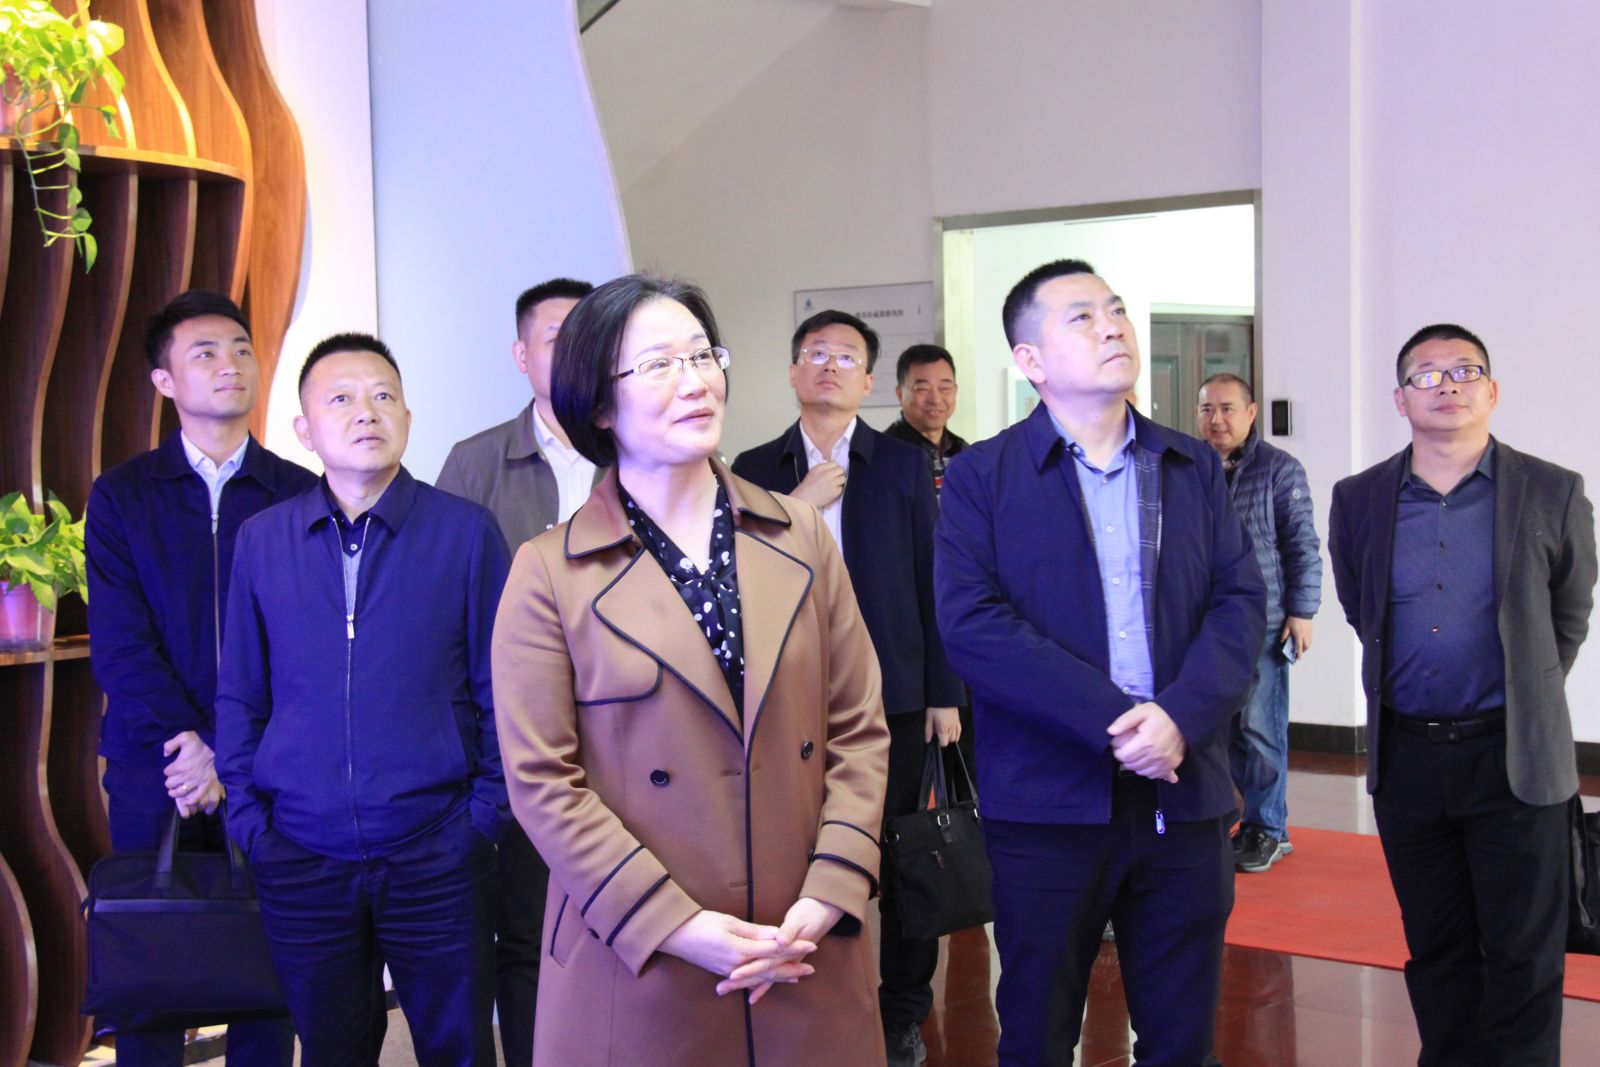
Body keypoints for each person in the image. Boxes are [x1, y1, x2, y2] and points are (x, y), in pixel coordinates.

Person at [491, 275, 890, 1067]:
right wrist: (674, 923)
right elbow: (543, 781)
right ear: (599, 406)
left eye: (704, 355)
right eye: (659, 364)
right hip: (640, 956)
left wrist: (833, 887)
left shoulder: (800, 534)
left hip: (800, 940)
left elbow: (858, 729)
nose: (696, 380)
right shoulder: (549, 570)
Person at [935, 258, 1265, 1066]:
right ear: (1031, 360)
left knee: (1183, 1039)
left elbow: (1238, 602)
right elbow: (974, 625)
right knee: (1038, 1033)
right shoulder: (983, 475)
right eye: (1081, 316)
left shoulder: (1191, 466)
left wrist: (1178, 718)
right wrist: (1120, 723)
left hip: (1181, 794)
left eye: (1115, 309)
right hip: (1047, 803)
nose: (1112, 325)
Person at [215, 333, 511, 1066]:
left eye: (383, 396)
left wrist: (483, 818)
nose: (366, 412)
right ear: (304, 430)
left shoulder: (465, 533)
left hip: (436, 848)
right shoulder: (263, 540)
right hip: (301, 853)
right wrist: (252, 825)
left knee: (459, 1047)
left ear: (407, 416)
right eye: (341, 398)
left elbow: (506, 691)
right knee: (331, 1049)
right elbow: (241, 692)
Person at [1329, 323, 1595, 1065]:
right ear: (1400, 399)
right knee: (1437, 947)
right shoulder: (1359, 497)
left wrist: (1526, 691)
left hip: (1514, 757)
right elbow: (1359, 603)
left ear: (1492, 390)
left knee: (1524, 953)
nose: (1447, 384)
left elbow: (1570, 612)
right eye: (1427, 374)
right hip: (1409, 759)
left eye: (1465, 370)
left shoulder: (1552, 490)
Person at [732, 310, 965, 1067]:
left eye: (846, 357)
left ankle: (902, 1010)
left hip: (892, 695)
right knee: (799, 854)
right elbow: (733, 577)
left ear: (868, 381)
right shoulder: (754, 467)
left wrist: (943, 691)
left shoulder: (901, 465)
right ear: (793, 372)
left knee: (903, 856)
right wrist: (797, 503)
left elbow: (936, 580)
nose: (829, 366)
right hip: (785, 696)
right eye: (816, 354)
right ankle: (814, 999)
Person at [86, 291, 313, 1067]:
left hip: (267, 763)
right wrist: (189, 744)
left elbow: (301, 643)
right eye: (206, 352)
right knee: (149, 968)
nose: (230, 365)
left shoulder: (296, 492)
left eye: (241, 348)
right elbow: (120, 642)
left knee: (264, 964)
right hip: (156, 763)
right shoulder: (122, 494)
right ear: (164, 380)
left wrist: (224, 747)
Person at [435, 275, 594, 1067]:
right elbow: (440, 607)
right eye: (557, 336)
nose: (574, 350)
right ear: (521, 354)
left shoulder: (641, 447)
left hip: (636, 728)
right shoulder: (475, 463)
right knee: (528, 929)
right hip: (523, 735)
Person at [1196, 372, 1321, 872]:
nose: (1216, 419)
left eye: (1227, 408)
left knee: (1262, 729)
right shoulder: (1190, 466)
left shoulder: (1279, 470)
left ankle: (1269, 829)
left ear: (1250, 413)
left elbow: (1302, 545)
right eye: (1206, 409)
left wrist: (1302, 611)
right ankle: (1248, 821)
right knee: (1221, 729)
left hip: (1264, 622)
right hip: (1207, 624)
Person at [883, 343, 968, 501]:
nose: (935, 399)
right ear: (900, 394)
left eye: (944, 388)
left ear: (955, 391)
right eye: (922, 389)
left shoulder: (963, 452)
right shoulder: (882, 455)